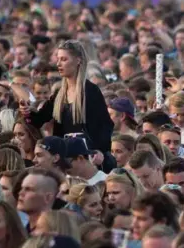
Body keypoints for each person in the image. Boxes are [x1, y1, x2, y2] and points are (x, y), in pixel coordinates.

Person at [19, 40, 115, 171]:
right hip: (64, 160)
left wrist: (100, 152)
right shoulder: (60, 93)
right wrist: (27, 111)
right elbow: (39, 119)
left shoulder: (90, 91)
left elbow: (105, 126)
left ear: (78, 60)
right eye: (58, 59)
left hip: (87, 160)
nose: (58, 64)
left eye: (64, 59)